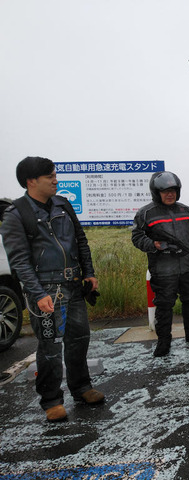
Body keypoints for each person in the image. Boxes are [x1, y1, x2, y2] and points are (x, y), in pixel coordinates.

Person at [0, 157, 104, 422]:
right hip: (46, 290)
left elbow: (80, 240)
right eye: (50, 176)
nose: (56, 180)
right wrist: (37, 293)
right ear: (31, 181)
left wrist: (89, 273)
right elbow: (19, 261)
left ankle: (82, 388)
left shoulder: (63, 204)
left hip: (74, 284)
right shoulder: (16, 214)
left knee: (79, 339)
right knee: (49, 346)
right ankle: (51, 401)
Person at [132, 171, 189, 357]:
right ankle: (163, 341)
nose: (170, 194)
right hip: (163, 269)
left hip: (188, 266)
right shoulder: (146, 213)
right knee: (164, 305)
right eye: (165, 191)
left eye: (174, 190)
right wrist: (153, 244)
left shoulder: (186, 211)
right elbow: (136, 237)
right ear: (156, 192)